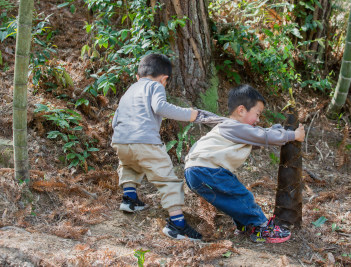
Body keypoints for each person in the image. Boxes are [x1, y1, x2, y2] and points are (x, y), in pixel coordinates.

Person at [184, 84, 305, 243]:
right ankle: (261, 227)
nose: (258, 119)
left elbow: (261, 137)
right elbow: (262, 136)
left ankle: (246, 226)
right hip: (206, 170)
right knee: (241, 196)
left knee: (231, 199)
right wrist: (293, 135)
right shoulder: (234, 126)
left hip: (197, 172)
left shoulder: (235, 129)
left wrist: (276, 130)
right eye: (257, 113)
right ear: (241, 110)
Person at [111, 53, 207, 240]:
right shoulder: (155, 86)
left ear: (138, 77)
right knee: (167, 180)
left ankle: (129, 198)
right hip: (145, 142)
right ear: (164, 79)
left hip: (120, 141)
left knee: (129, 164)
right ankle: (177, 224)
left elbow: (116, 117)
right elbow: (160, 107)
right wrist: (190, 114)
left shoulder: (130, 89)